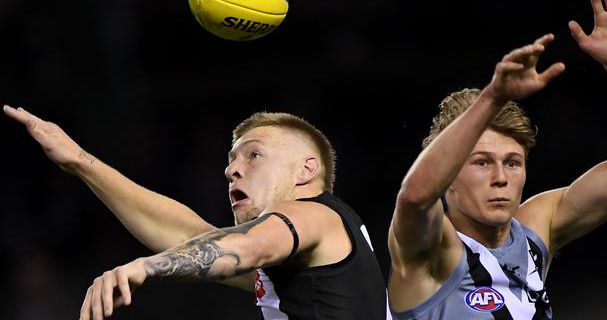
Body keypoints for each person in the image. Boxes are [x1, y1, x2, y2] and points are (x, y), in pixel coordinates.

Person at [387, 0, 607, 319]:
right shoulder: (430, 251)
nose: (500, 178)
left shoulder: (537, 227)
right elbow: (415, 196)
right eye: (481, 163)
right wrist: (493, 97)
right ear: (448, 176)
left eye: (512, 163)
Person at [3, 108, 390, 319]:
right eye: (231, 161)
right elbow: (191, 237)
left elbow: (248, 247)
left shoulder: (315, 215)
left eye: (254, 154)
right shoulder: (307, 261)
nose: (233, 169)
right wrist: (82, 163)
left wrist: (145, 267)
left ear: (306, 170)